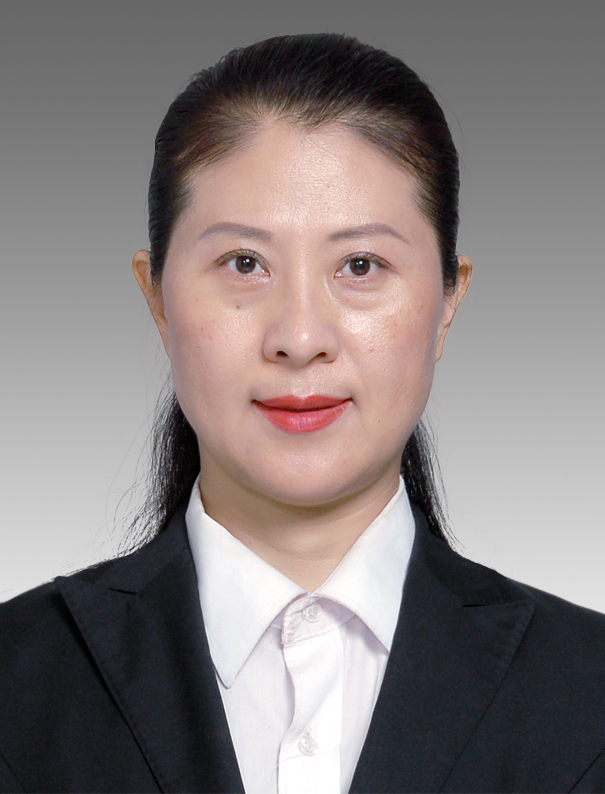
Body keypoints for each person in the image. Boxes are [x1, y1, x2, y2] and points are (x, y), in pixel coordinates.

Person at [1, 33, 604, 794]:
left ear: (449, 299)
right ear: (156, 297)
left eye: (360, 265)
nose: (299, 337)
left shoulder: (587, 695)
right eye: (244, 264)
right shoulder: (17, 684)